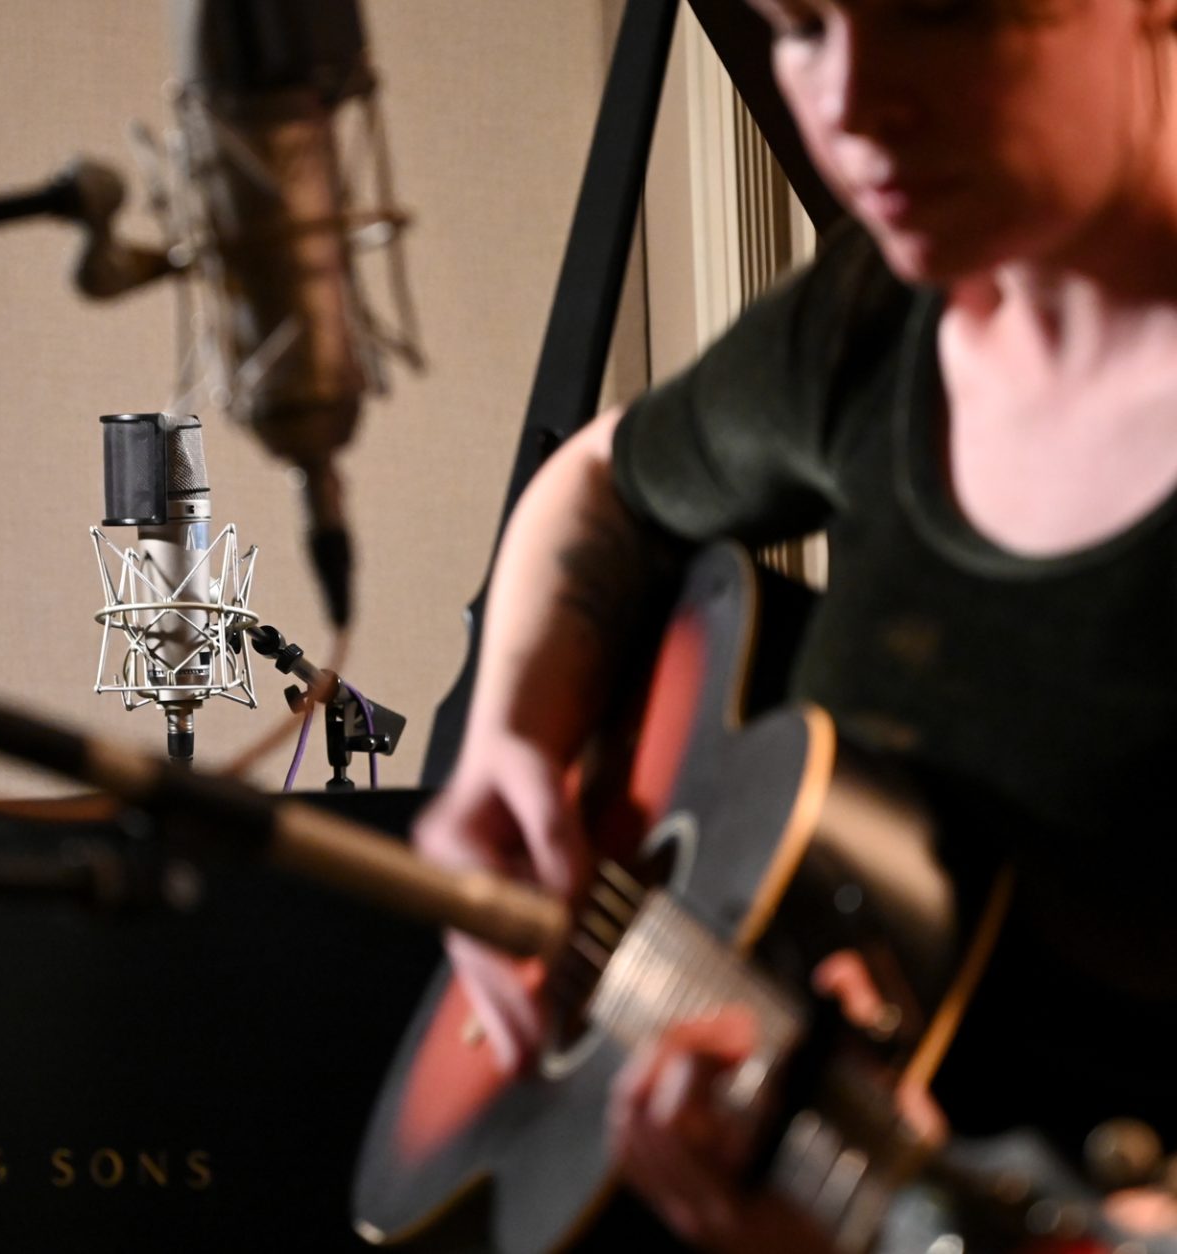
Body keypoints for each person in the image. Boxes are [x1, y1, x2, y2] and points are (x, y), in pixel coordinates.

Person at [414, 0, 1177, 1248]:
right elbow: (604, 484)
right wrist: (509, 744)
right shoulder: (877, 320)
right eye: (804, 21)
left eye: (943, 14)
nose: (853, 102)